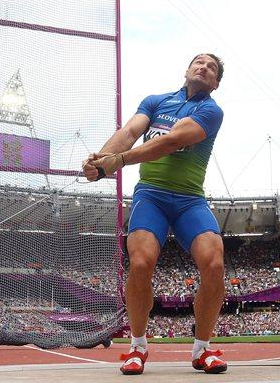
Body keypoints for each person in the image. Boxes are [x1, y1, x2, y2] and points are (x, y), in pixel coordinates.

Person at [82, 53, 227, 375]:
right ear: (187, 70)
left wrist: (117, 162)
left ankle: (202, 349)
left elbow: (171, 141)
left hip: (190, 199)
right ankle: (137, 347)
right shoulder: (155, 101)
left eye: (212, 68)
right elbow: (130, 131)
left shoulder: (210, 111)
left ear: (215, 83)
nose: (203, 67)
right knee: (141, 262)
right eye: (198, 63)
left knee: (215, 264)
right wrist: (100, 161)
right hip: (152, 196)